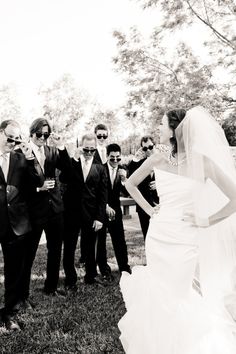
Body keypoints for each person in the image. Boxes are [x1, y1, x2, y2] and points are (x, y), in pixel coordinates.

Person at [118, 106, 236, 353]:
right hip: (159, 235)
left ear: (175, 130)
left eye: (162, 124)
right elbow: (129, 184)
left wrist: (207, 220)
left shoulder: (202, 162)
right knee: (159, 292)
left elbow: (234, 198)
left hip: (186, 236)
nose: (158, 128)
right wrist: (150, 211)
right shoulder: (158, 158)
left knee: (182, 292)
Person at [21, 118, 71, 298]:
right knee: (29, 254)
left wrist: (62, 147)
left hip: (55, 209)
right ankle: (23, 294)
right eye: (39, 134)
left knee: (55, 250)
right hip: (34, 210)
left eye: (46, 135)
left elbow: (68, 169)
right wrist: (37, 188)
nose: (43, 138)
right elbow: (18, 185)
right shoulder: (21, 153)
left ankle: (51, 287)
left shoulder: (52, 151)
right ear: (31, 133)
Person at [0, 120, 42, 330]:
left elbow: (39, 180)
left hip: (15, 223)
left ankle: (10, 314)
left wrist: (30, 157)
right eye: (9, 138)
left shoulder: (20, 158)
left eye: (17, 139)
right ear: (0, 133)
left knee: (14, 272)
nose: (13, 142)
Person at [61, 133, 107, 288]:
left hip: (91, 214)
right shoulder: (72, 161)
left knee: (89, 247)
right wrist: (73, 158)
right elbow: (63, 178)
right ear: (81, 147)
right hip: (71, 212)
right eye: (86, 149)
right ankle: (70, 280)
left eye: (92, 150)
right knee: (70, 247)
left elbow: (102, 194)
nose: (88, 153)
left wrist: (100, 218)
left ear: (95, 149)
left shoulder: (100, 167)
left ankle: (91, 276)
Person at [96, 143, 131, 281]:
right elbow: (95, 193)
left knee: (120, 240)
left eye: (118, 158)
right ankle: (104, 270)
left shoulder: (122, 171)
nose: (115, 161)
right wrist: (105, 206)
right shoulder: (100, 169)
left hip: (116, 211)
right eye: (112, 158)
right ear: (107, 156)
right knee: (101, 242)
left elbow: (128, 192)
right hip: (101, 210)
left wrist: (124, 180)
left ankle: (124, 268)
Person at [128, 136, 159, 239]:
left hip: (160, 205)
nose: (148, 151)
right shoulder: (139, 163)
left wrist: (159, 183)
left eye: (150, 147)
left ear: (155, 145)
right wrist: (135, 159)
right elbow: (130, 178)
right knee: (147, 237)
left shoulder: (163, 160)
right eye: (145, 148)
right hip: (143, 207)